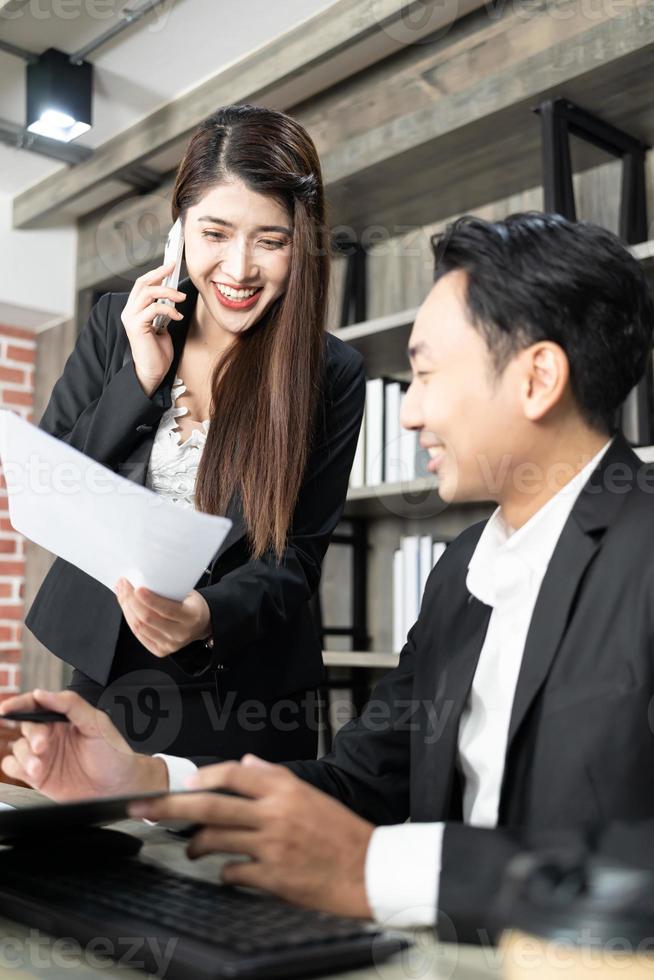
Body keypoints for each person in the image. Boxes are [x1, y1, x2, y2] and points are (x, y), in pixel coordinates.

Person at [5, 213, 654, 943]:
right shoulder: (461, 574)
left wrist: (375, 868)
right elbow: (356, 785)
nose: (407, 413)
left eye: (427, 373)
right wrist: (146, 780)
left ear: (537, 378)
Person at [23, 104, 366, 761]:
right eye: (215, 233)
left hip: (245, 694)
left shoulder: (331, 374)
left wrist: (205, 615)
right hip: (110, 675)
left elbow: (297, 556)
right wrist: (139, 380)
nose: (239, 269)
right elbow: (53, 483)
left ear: (303, 242)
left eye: (271, 240)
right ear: (179, 231)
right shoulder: (113, 327)